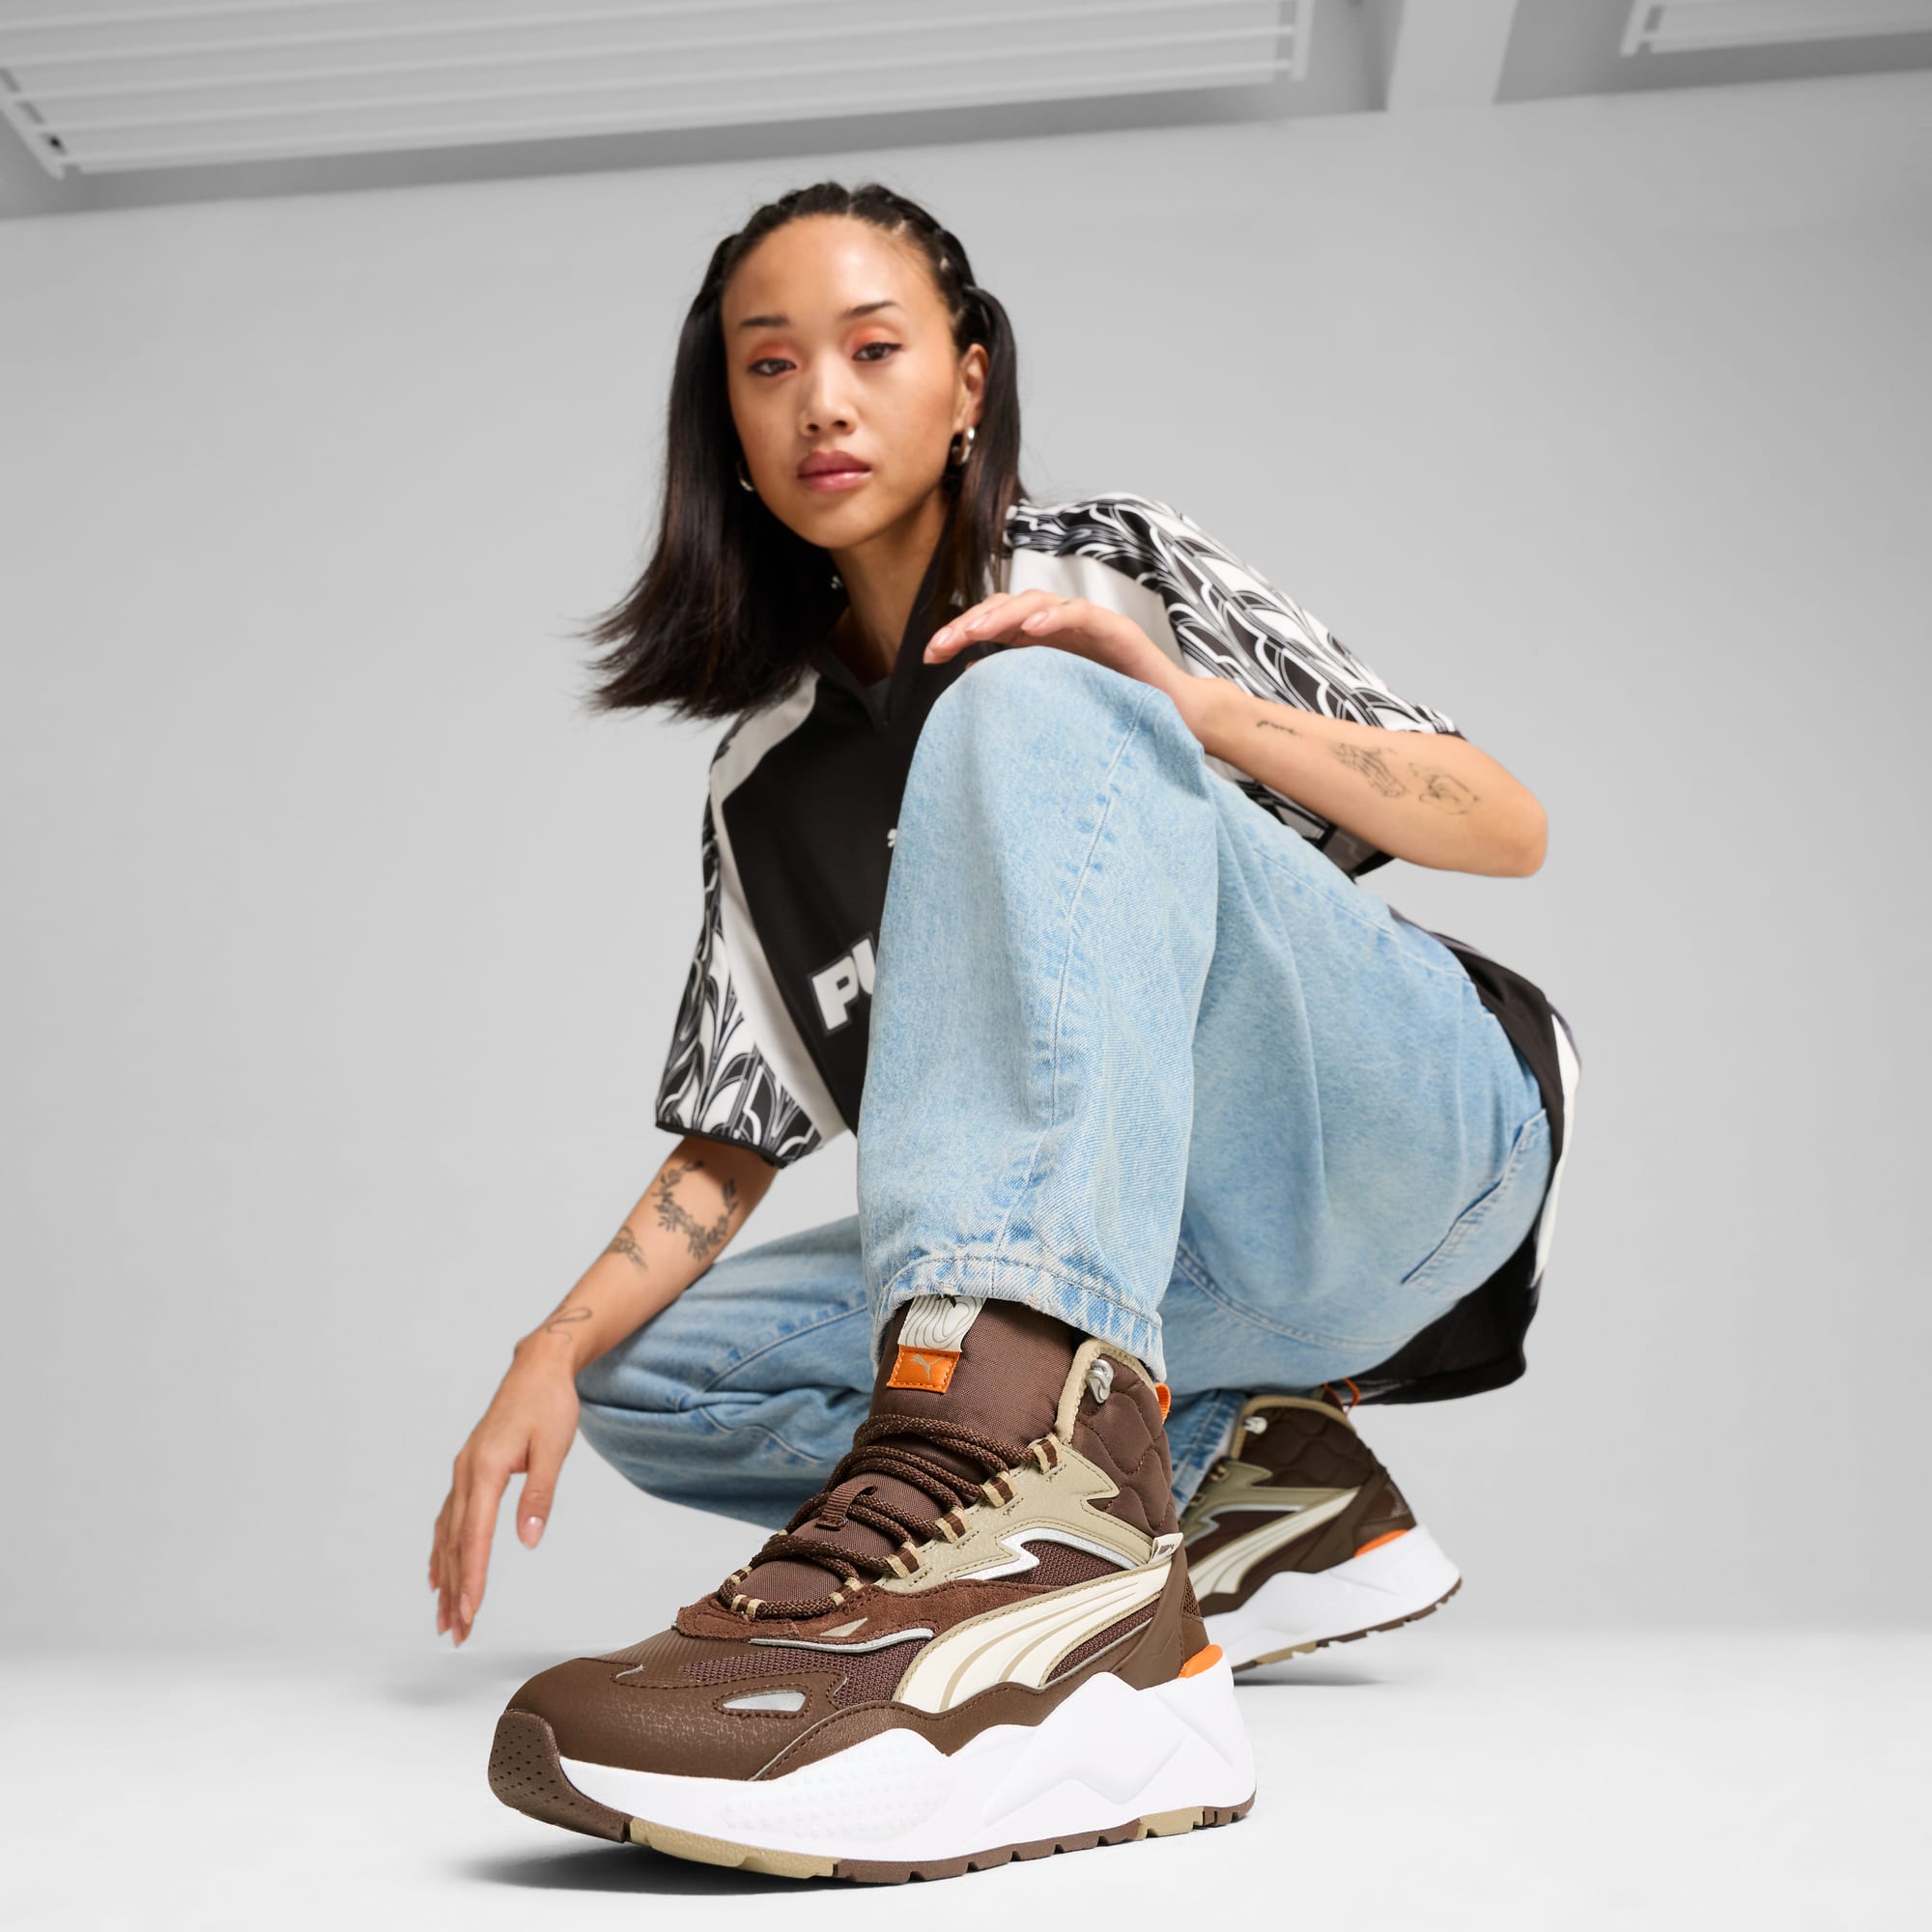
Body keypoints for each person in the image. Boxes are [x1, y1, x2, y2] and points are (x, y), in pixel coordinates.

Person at [438, 181, 1581, 1881]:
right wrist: (546, 1348)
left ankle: (1043, 1588)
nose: (822, 402)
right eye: (771, 366)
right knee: (653, 1376)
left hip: (1404, 1154)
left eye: (873, 350)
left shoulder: (1102, 567)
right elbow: (735, 1139)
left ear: (968, 380)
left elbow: (1503, 822)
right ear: (729, 425)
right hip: (1155, 1272)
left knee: (1031, 693)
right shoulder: (767, 781)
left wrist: (1185, 707)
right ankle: (1230, 1494)